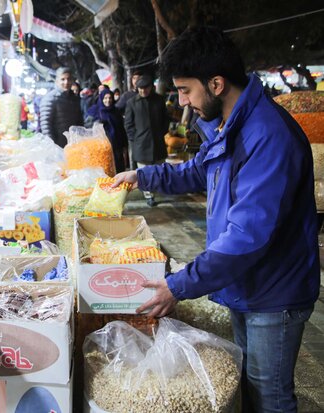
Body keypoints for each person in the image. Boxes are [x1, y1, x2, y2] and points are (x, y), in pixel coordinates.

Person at [113, 26, 319, 413]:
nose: (183, 102)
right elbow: (197, 171)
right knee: (250, 386)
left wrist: (179, 285)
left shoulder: (267, 135)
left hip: (274, 292)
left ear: (217, 84)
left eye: (186, 90)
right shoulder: (232, 126)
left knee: (270, 396)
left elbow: (247, 235)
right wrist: (142, 176)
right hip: (247, 282)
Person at [124, 74, 169, 206]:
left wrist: (161, 133)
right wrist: (135, 139)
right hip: (141, 144)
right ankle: (149, 195)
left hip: (158, 142)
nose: (143, 91)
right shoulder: (132, 103)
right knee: (144, 172)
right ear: (137, 88)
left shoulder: (159, 100)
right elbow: (128, 124)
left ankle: (159, 189)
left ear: (151, 87)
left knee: (159, 169)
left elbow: (165, 119)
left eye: (146, 88)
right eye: (140, 88)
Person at [39, 67, 83, 147]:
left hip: (73, 144)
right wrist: (52, 146)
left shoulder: (75, 99)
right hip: (57, 145)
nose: (66, 82)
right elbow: (46, 125)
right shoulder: (50, 98)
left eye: (69, 79)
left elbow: (79, 122)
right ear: (57, 81)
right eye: (63, 79)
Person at [96, 89, 128, 173]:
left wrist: (124, 145)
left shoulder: (116, 111)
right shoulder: (98, 113)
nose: (108, 100)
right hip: (104, 148)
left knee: (119, 169)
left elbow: (121, 128)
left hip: (117, 146)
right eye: (105, 98)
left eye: (110, 98)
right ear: (102, 99)